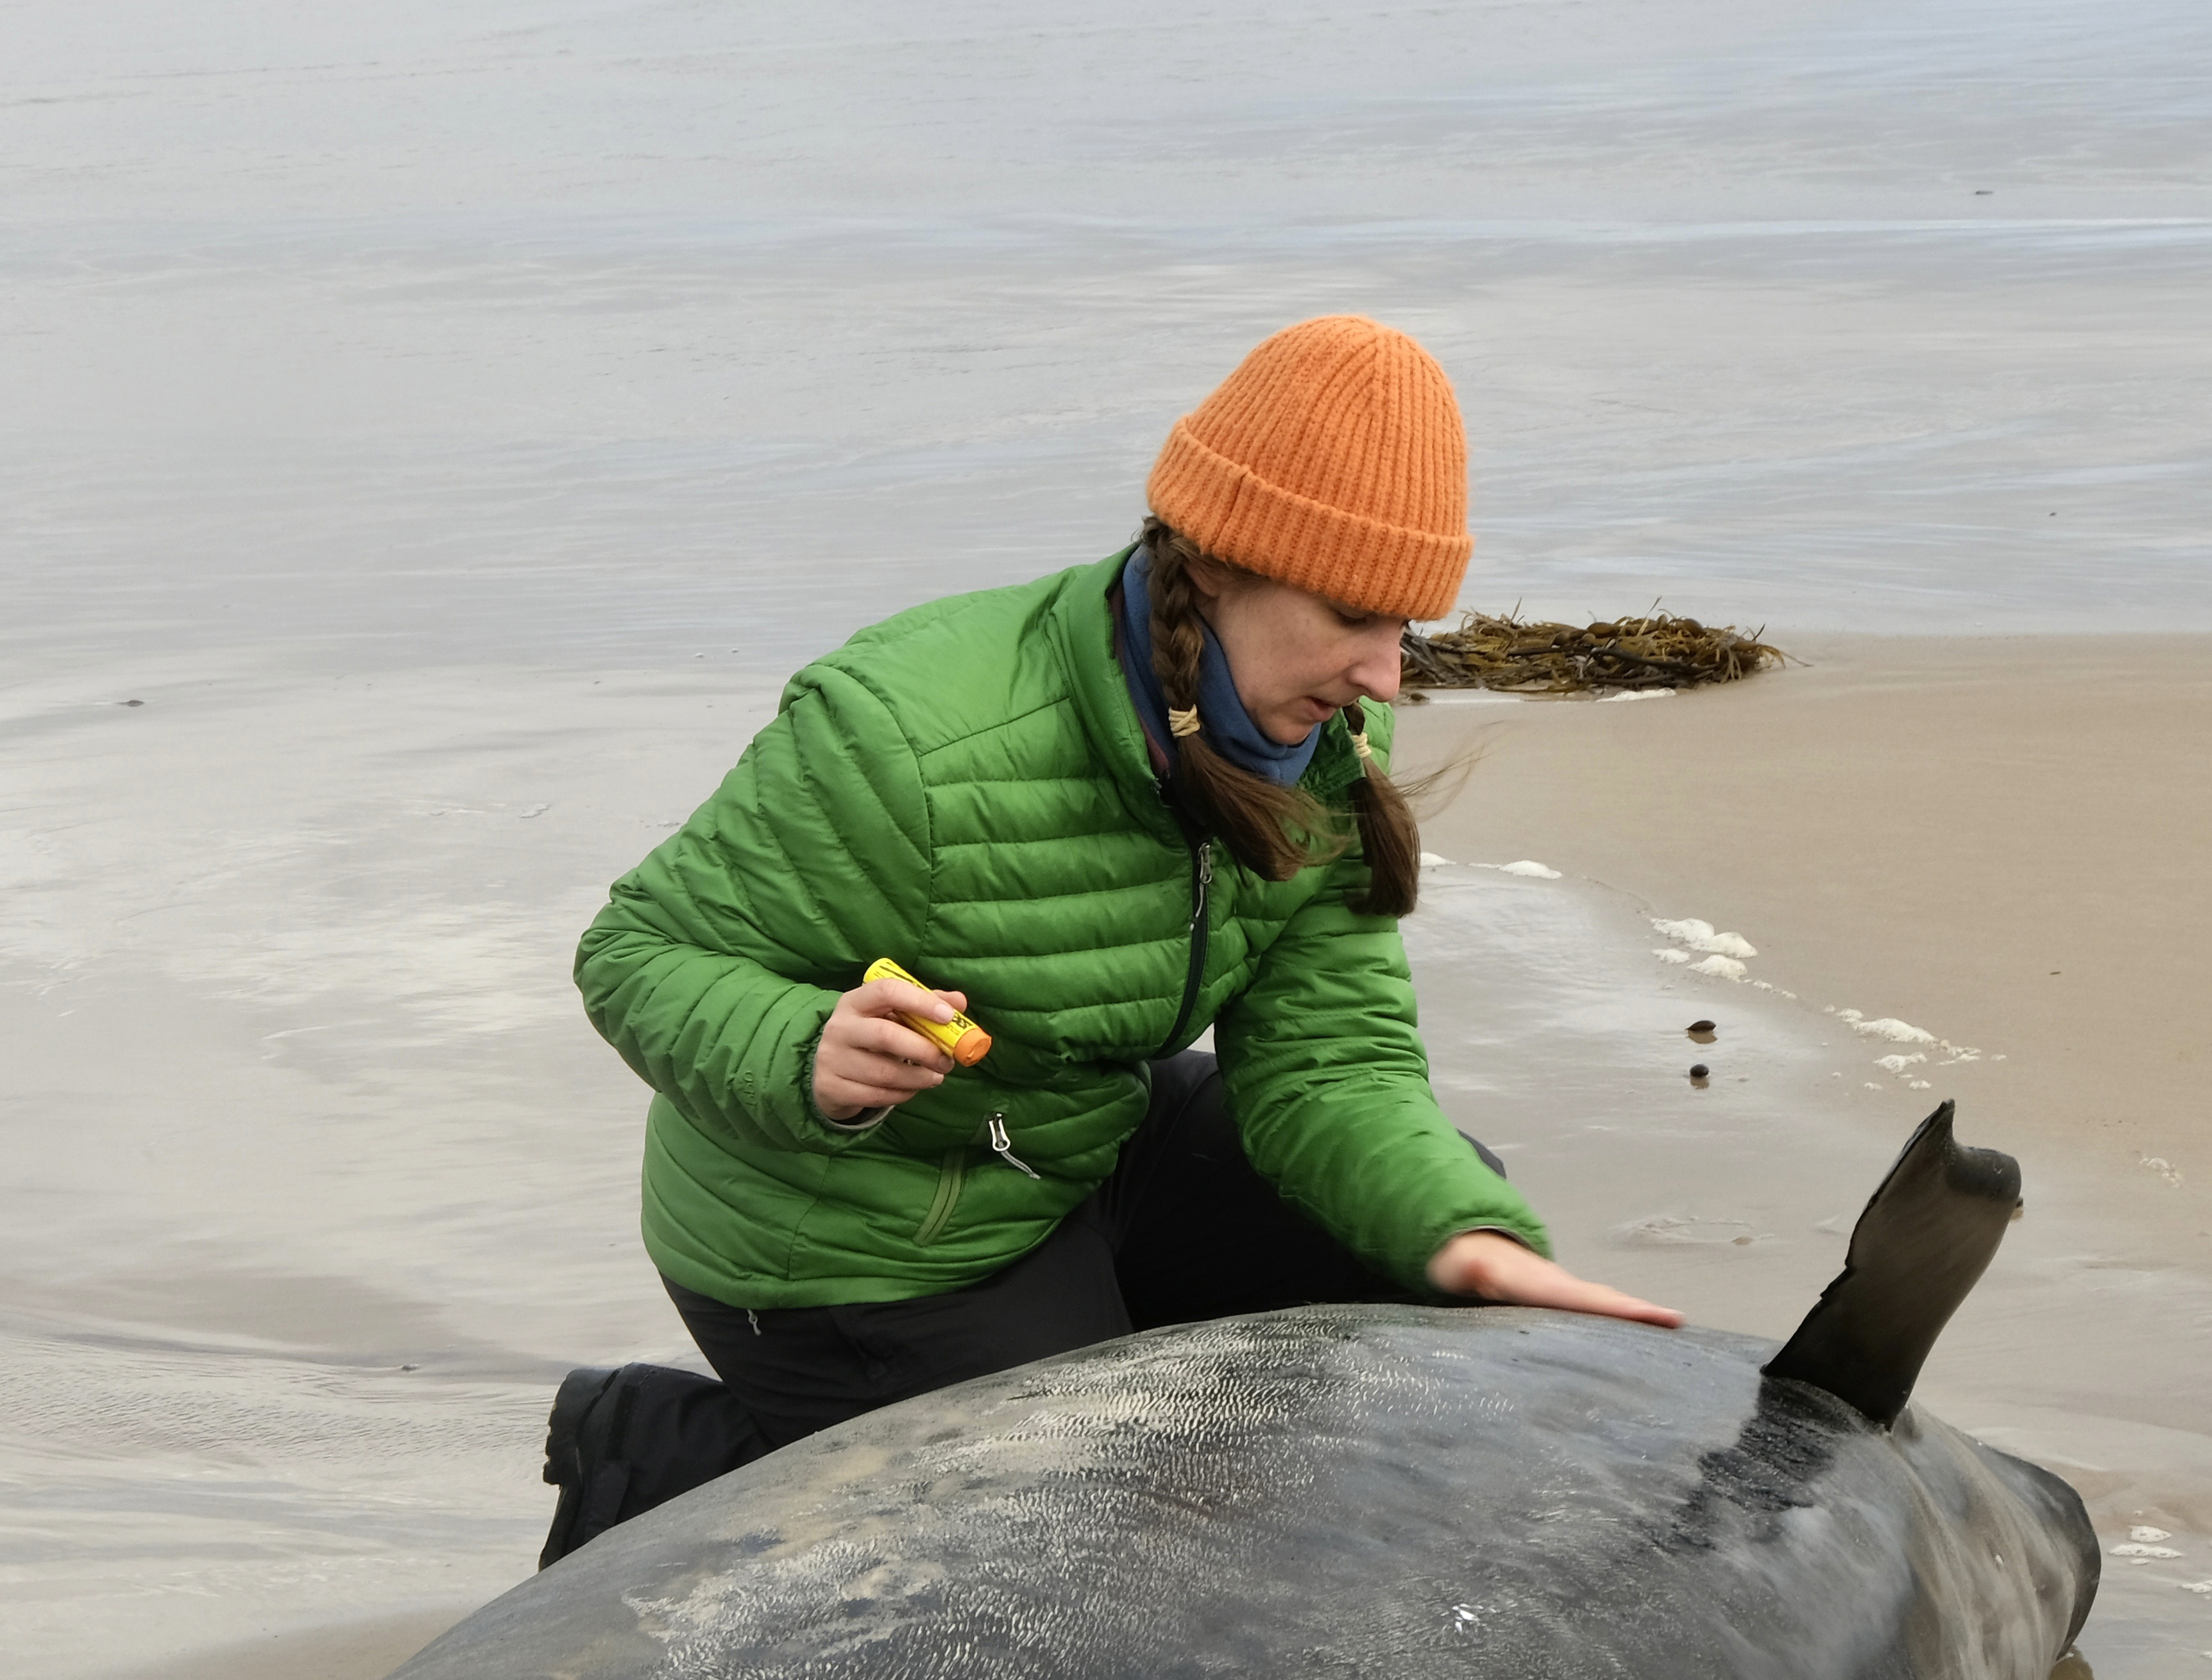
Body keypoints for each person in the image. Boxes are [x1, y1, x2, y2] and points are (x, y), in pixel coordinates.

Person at [541, 315, 1680, 1565]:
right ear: (1223, 565)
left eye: (1405, 625)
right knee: (1088, 1546)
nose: (1385, 675)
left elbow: (1329, 1062)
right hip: (852, 1238)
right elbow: (637, 951)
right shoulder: (911, 740)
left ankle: (1081, 1379)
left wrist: (1463, 1236)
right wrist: (803, 1046)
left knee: (1410, 1241)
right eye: (1357, 615)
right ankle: (672, 1461)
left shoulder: (1322, 740)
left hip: (1066, 1147)